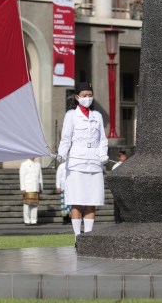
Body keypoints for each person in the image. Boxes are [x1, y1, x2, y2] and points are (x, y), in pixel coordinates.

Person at [57, 82, 108, 240]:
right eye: (84, 96)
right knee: (77, 201)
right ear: (77, 97)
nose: (88, 98)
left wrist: (103, 154)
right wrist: (62, 154)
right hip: (76, 163)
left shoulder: (97, 116)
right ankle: (78, 237)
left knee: (92, 201)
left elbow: (102, 140)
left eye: (90, 95)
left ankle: (89, 237)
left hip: (93, 163)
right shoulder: (71, 115)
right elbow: (66, 138)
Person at [19, 157, 43, 226]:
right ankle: (27, 220)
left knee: (34, 205)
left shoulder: (38, 164)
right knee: (27, 204)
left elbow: (40, 177)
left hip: (35, 187)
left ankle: (33, 220)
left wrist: (41, 187)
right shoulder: (24, 164)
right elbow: (22, 176)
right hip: (28, 187)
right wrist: (22, 188)